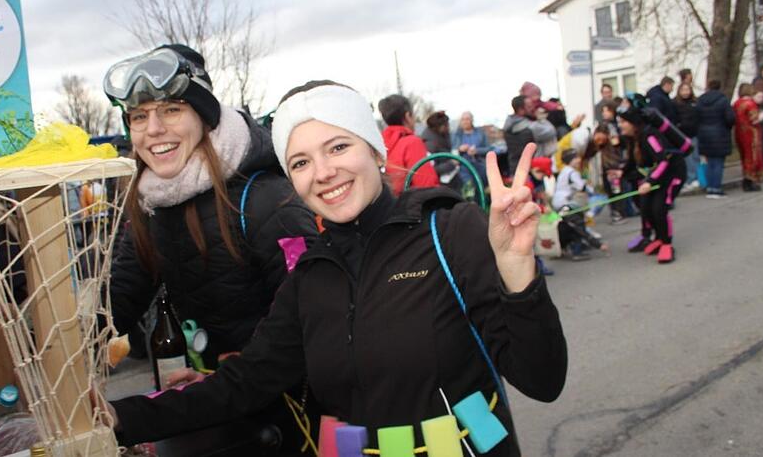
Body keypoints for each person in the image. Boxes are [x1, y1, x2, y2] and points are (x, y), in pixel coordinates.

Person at [106, 80, 568, 456]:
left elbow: (542, 379)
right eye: (301, 161)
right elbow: (246, 382)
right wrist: (118, 419)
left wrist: (516, 272)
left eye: (339, 146)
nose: (323, 171)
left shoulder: (450, 232)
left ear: (375, 150)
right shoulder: (311, 275)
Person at [103, 44, 319, 452]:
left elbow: (306, 337)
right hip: (221, 409)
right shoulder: (153, 204)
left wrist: (137, 415)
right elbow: (116, 304)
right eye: (139, 117)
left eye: (171, 110)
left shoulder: (266, 202)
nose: (153, 130)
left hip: (293, 423)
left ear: (204, 117)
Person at [618, 107, 687, 263]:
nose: (620, 125)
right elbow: (632, 162)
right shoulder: (632, 138)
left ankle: (667, 244)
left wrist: (650, 182)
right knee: (646, 206)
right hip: (657, 175)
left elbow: (663, 161)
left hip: (673, 173)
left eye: (623, 122)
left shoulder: (649, 136)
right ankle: (657, 238)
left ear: (634, 123)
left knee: (659, 208)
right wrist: (621, 173)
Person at [551, 149, 607, 260]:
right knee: (577, 224)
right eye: (575, 158)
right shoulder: (572, 172)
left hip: (559, 203)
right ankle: (577, 251)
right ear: (569, 160)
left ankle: (563, 248)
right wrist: (594, 192)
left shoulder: (564, 171)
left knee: (566, 226)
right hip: (565, 204)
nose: (578, 160)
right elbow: (581, 186)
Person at [377, 94, 439, 193]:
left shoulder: (379, 143)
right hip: (409, 205)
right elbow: (426, 185)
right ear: (408, 116)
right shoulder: (411, 142)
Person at [695, 80, 736, 199]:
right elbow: (730, 118)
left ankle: (710, 188)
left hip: (704, 134)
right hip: (720, 133)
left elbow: (696, 117)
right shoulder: (723, 100)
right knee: (718, 163)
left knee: (709, 162)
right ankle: (716, 188)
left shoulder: (700, 101)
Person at [420, 111, 463, 190]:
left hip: (451, 180)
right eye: (446, 125)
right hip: (441, 185)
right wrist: (452, 163)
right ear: (439, 127)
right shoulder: (429, 144)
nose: (448, 127)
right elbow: (431, 169)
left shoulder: (443, 136)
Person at [733, 84, 763, 191]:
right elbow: (754, 120)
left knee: (744, 156)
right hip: (751, 133)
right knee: (752, 156)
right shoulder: (751, 104)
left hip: (739, 132)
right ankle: (751, 180)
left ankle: (746, 178)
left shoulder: (736, 103)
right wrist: (762, 115)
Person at [673, 82, 701, 190]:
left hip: (694, 133)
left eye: (687, 89)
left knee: (696, 157)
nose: (685, 92)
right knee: (688, 158)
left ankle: (697, 178)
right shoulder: (676, 103)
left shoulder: (695, 102)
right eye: (683, 90)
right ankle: (691, 178)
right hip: (683, 135)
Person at [451, 111, 490, 188]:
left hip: (480, 166)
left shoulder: (481, 133)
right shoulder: (456, 135)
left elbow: (489, 149)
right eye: (463, 119)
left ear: (472, 120)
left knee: (482, 189)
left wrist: (477, 151)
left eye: (467, 119)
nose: (465, 121)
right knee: (469, 189)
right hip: (464, 168)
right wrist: (459, 149)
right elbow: (452, 151)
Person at [503, 95, 535, 176]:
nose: (533, 108)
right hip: (530, 169)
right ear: (520, 110)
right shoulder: (528, 127)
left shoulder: (508, 125)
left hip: (515, 167)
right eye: (529, 106)